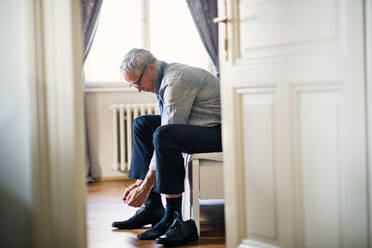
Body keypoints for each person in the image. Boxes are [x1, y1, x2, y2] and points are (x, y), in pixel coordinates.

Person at [111, 48, 222, 246]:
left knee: (165, 135)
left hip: (219, 131)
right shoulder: (164, 77)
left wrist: (146, 185)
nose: (137, 88)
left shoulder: (175, 82)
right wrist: (140, 183)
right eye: (132, 85)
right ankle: (153, 208)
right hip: (198, 124)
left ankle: (173, 216)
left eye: (137, 82)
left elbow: (167, 129)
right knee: (142, 124)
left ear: (150, 68)